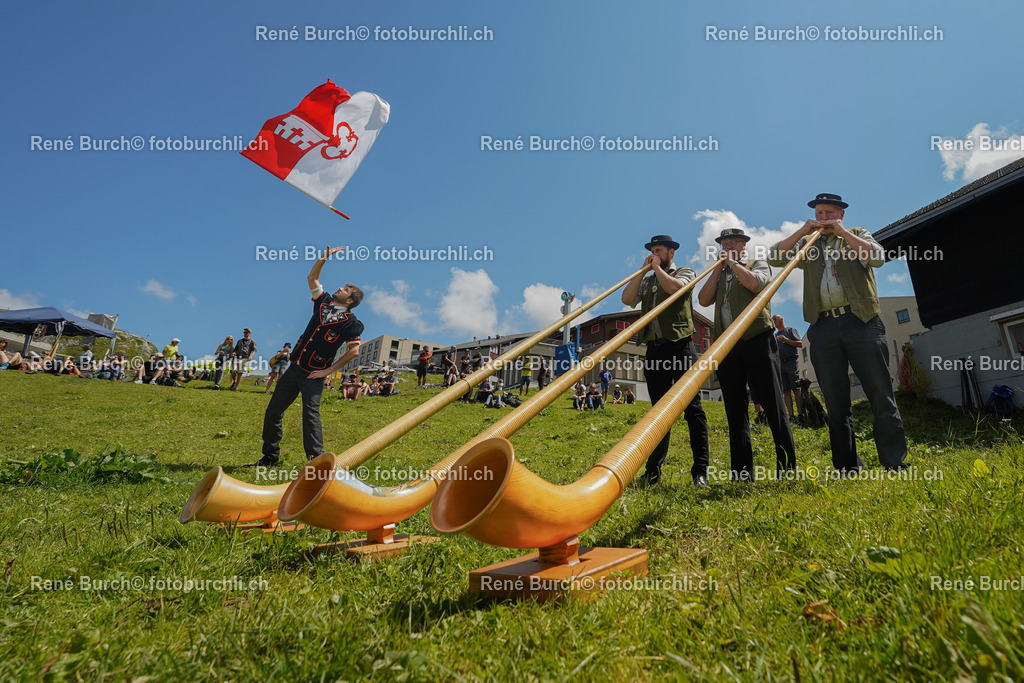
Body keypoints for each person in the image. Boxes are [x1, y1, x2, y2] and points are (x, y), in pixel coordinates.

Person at [769, 193, 907, 472]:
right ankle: (846, 466)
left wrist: (843, 234)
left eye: (829, 213)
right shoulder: (809, 243)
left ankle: (894, 462)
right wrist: (802, 231)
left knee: (880, 392)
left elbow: (877, 258)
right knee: (834, 398)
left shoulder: (857, 234)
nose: (823, 219)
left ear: (841, 215)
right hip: (823, 326)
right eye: (819, 214)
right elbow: (775, 257)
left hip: (862, 322)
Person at [697, 228, 796, 480]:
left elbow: (754, 283)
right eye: (724, 243)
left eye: (733, 243)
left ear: (743, 246)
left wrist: (733, 263)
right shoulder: (718, 273)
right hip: (727, 345)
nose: (728, 247)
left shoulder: (756, 264)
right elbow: (703, 300)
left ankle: (786, 469)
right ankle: (742, 473)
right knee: (735, 409)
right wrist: (719, 268)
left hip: (757, 339)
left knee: (773, 404)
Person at [254, 245, 364, 467]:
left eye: (345, 289)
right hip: (294, 368)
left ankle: (316, 463)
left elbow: (354, 351)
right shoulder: (323, 302)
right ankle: (270, 457)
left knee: (311, 415)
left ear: (350, 300)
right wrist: (325, 256)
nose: (340, 288)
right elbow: (312, 278)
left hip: (314, 375)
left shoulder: (353, 324)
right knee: (273, 411)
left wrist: (327, 371)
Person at [622, 234, 710, 487]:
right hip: (654, 349)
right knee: (658, 414)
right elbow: (627, 300)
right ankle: (652, 473)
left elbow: (675, 289)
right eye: (652, 251)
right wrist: (641, 271)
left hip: (681, 345)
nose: (654, 255)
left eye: (659, 250)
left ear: (672, 252)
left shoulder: (685, 271)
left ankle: (700, 471)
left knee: (693, 410)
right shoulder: (649, 277)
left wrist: (658, 268)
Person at [772, 314, 804, 422]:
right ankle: (791, 416)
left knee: (796, 388)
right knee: (785, 391)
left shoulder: (790, 330)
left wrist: (786, 340)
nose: (773, 321)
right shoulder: (775, 336)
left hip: (791, 363)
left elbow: (800, 344)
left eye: (775, 319)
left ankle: (800, 415)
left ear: (781, 320)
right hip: (780, 364)